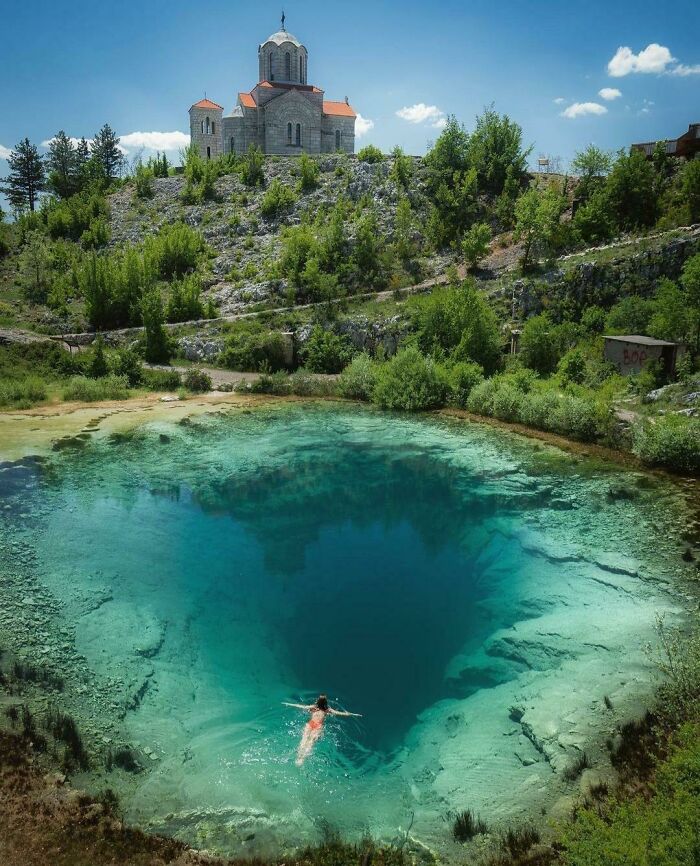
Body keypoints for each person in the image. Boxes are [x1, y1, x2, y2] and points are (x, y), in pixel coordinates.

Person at [283, 694, 362, 766]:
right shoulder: (327, 710)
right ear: (325, 702)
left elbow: (302, 707)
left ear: (318, 701)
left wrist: (289, 704)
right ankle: (302, 759)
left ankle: (298, 756)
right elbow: (339, 713)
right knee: (311, 742)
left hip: (310, 723)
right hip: (318, 726)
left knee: (304, 739)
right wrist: (351, 714)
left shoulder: (314, 707)